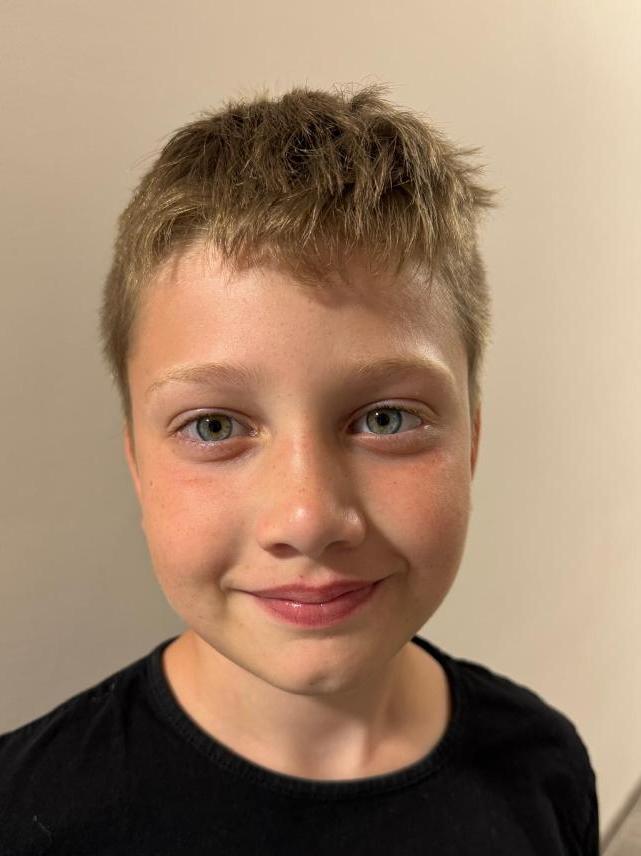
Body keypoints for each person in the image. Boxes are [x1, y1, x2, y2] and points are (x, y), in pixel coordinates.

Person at [0, 84, 599, 854]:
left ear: (471, 444)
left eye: (385, 419)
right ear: (137, 466)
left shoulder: (543, 764)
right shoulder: (24, 815)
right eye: (214, 426)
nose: (308, 519)